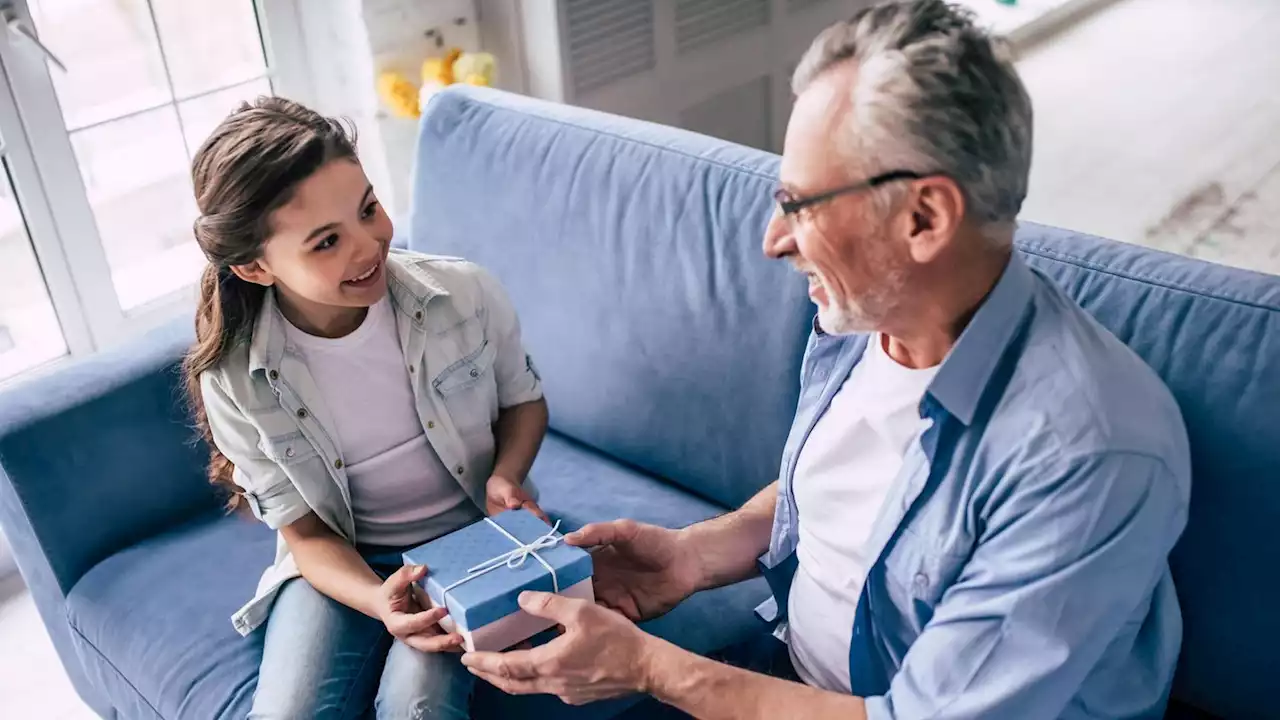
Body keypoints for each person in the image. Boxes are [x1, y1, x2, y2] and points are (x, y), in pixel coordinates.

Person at [460, 1, 1191, 718]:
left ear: (924, 219)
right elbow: (864, 502)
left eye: (801, 203)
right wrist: (695, 554)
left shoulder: (1086, 453)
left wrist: (650, 667)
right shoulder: (865, 315)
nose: (773, 240)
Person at [183, 97, 549, 719]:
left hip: (471, 540)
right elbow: (304, 534)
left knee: (418, 706)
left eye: (368, 209)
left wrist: (507, 475)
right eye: (327, 241)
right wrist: (378, 600)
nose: (369, 246)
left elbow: (525, 402)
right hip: (342, 557)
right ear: (254, 266)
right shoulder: (234, 379)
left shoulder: (462, 294)